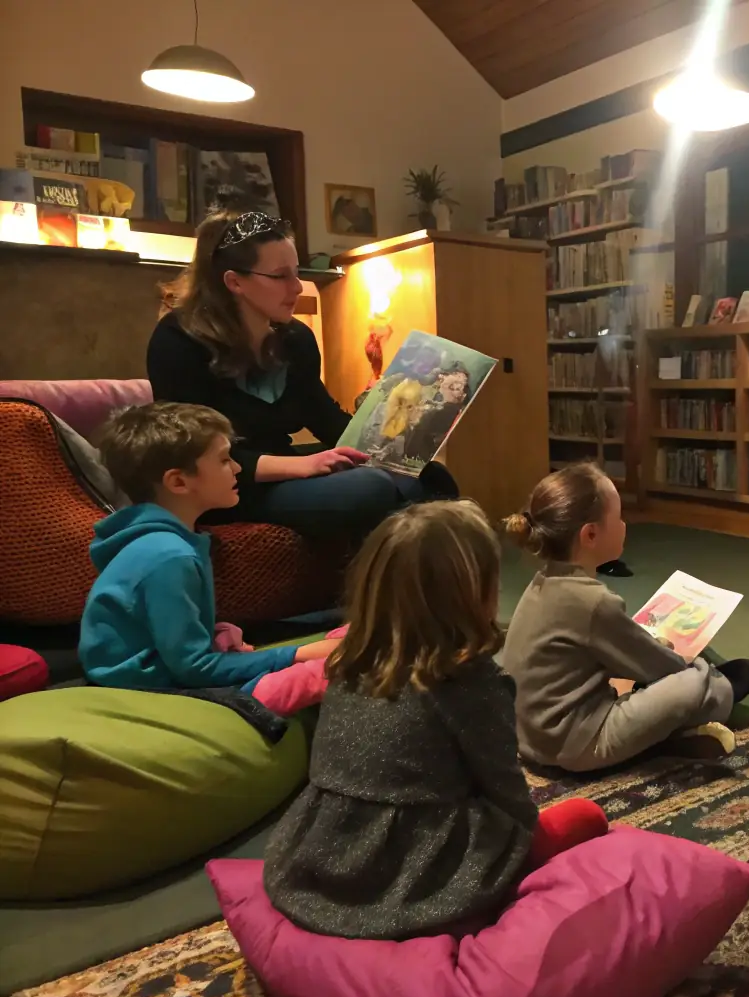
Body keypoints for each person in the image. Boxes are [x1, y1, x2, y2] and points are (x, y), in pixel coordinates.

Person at [264, 501, 608, 941]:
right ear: (476, 592)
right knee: (583, 817)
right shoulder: (472, 682)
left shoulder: (348, 662)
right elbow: (509, 798)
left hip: (314, 859)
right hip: (413, 873)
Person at [146, 209, 457, 540]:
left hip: (285, 469)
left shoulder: (294, 339)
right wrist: (304, 466)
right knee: (371, 487)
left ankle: (424, 585)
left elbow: (324, 417)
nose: (297, 287)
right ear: (235, 281)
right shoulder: (177, 340)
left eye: (296, 273)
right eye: (280, 276)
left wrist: (395, 441)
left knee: (430, 477)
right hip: (228, 485)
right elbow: (193, 452)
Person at [501, 463, 749, 769]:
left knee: (633, 673)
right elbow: (665, 669)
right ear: (591, 534)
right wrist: (694, 665)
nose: (625, 526)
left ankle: (672, 733)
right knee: (690, 684)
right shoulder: (593, 602)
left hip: (531, 738)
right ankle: (716, 692)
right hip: (573, 743)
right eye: (619, 517)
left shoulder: (542, 584)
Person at [79, 402, 337, 694]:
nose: (238, 468)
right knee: (316, 677)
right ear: (178, 481)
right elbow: (195, 667)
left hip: (147, 672)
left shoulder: (164, 539)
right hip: (140, 684)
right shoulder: (169, 556)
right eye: (225, 460)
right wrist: (297, 654)